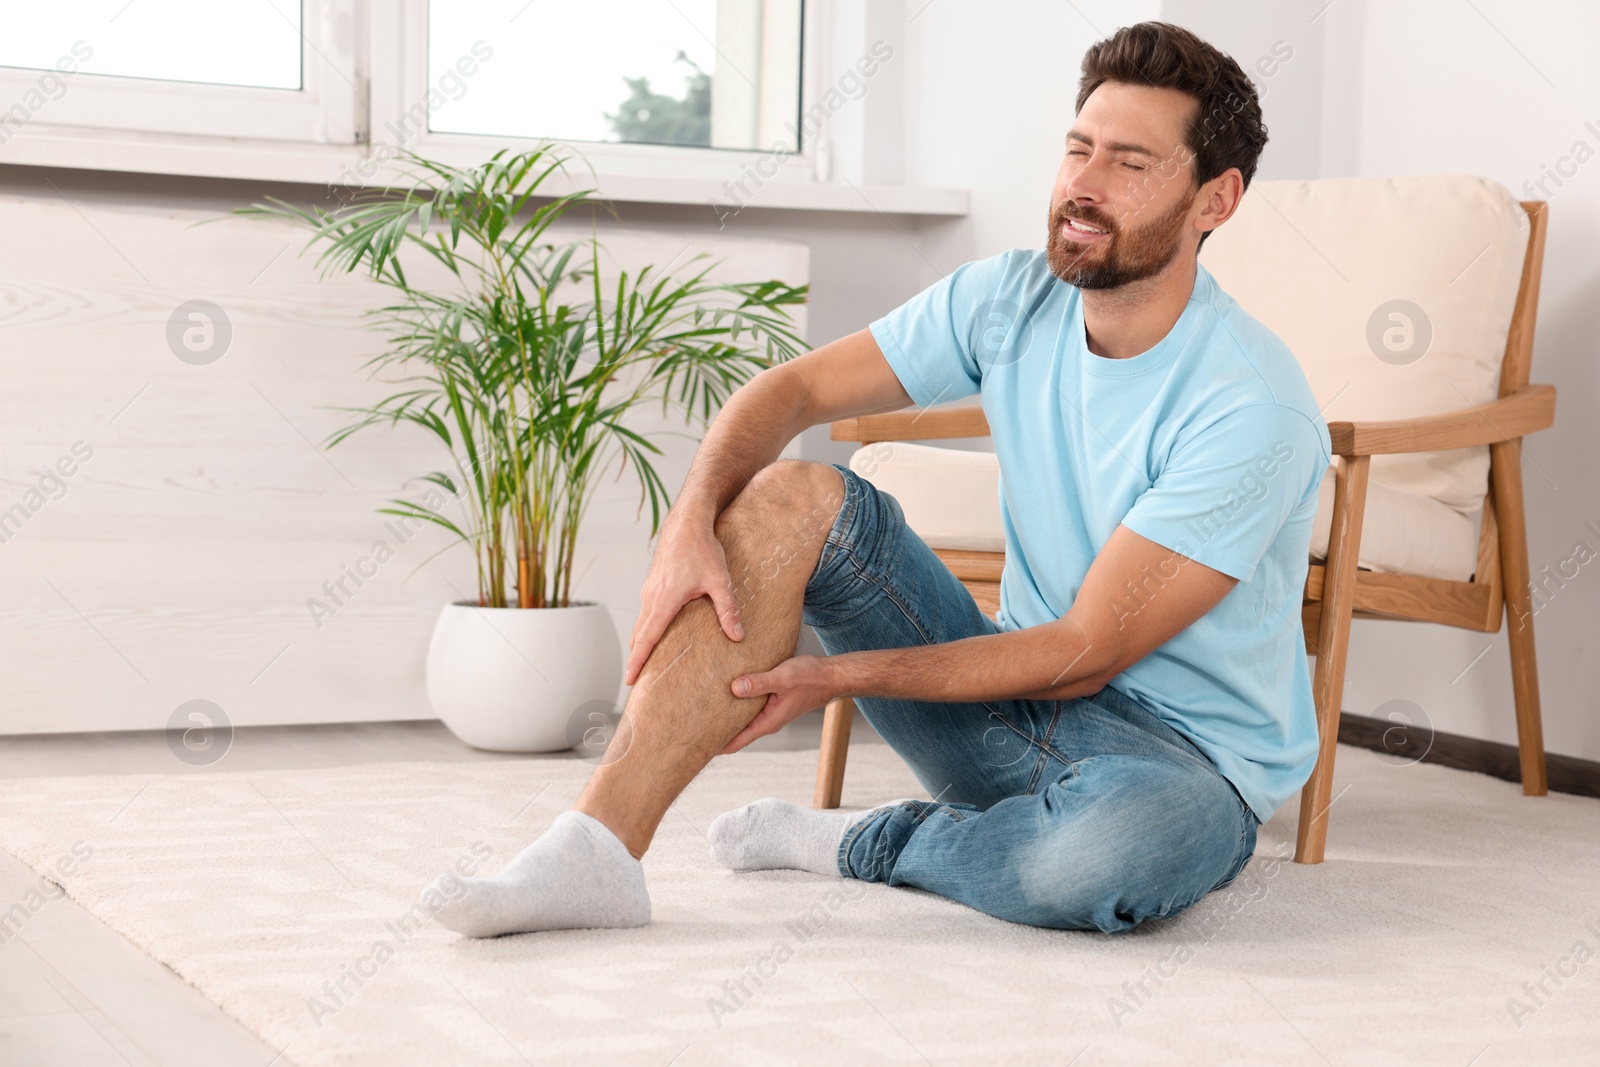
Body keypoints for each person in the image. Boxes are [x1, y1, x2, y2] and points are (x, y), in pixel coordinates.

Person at [423, 20, 1331, 937]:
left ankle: (869, 841)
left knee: (1099, 861)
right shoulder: (1009, 300)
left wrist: (835, 676)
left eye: (1130, 164)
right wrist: (688, 520)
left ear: (1216, 200)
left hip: (1180, 765)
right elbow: (796, 388)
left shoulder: (1250, 406)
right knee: (788, 497)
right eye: (1077, 149)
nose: (1082, 187)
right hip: (1007, 710)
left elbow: (1084, 650)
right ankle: (594, 850)